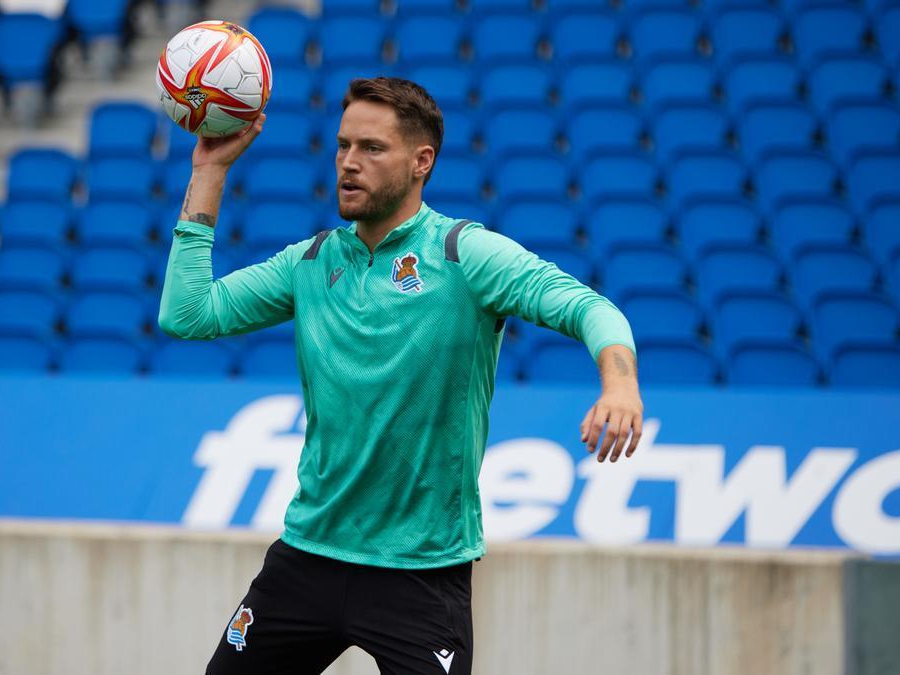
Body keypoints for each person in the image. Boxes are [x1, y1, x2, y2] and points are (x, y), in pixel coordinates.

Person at [159, 77, 643, 675]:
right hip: (308, 559)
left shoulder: (465, 253)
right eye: (342, 146)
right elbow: (186, 315)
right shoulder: (310, 262)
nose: (348, 163)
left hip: (422, 576)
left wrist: (619, 383)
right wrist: (208, 172)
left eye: (371, 148)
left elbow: (591, 307)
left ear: (422, 162)